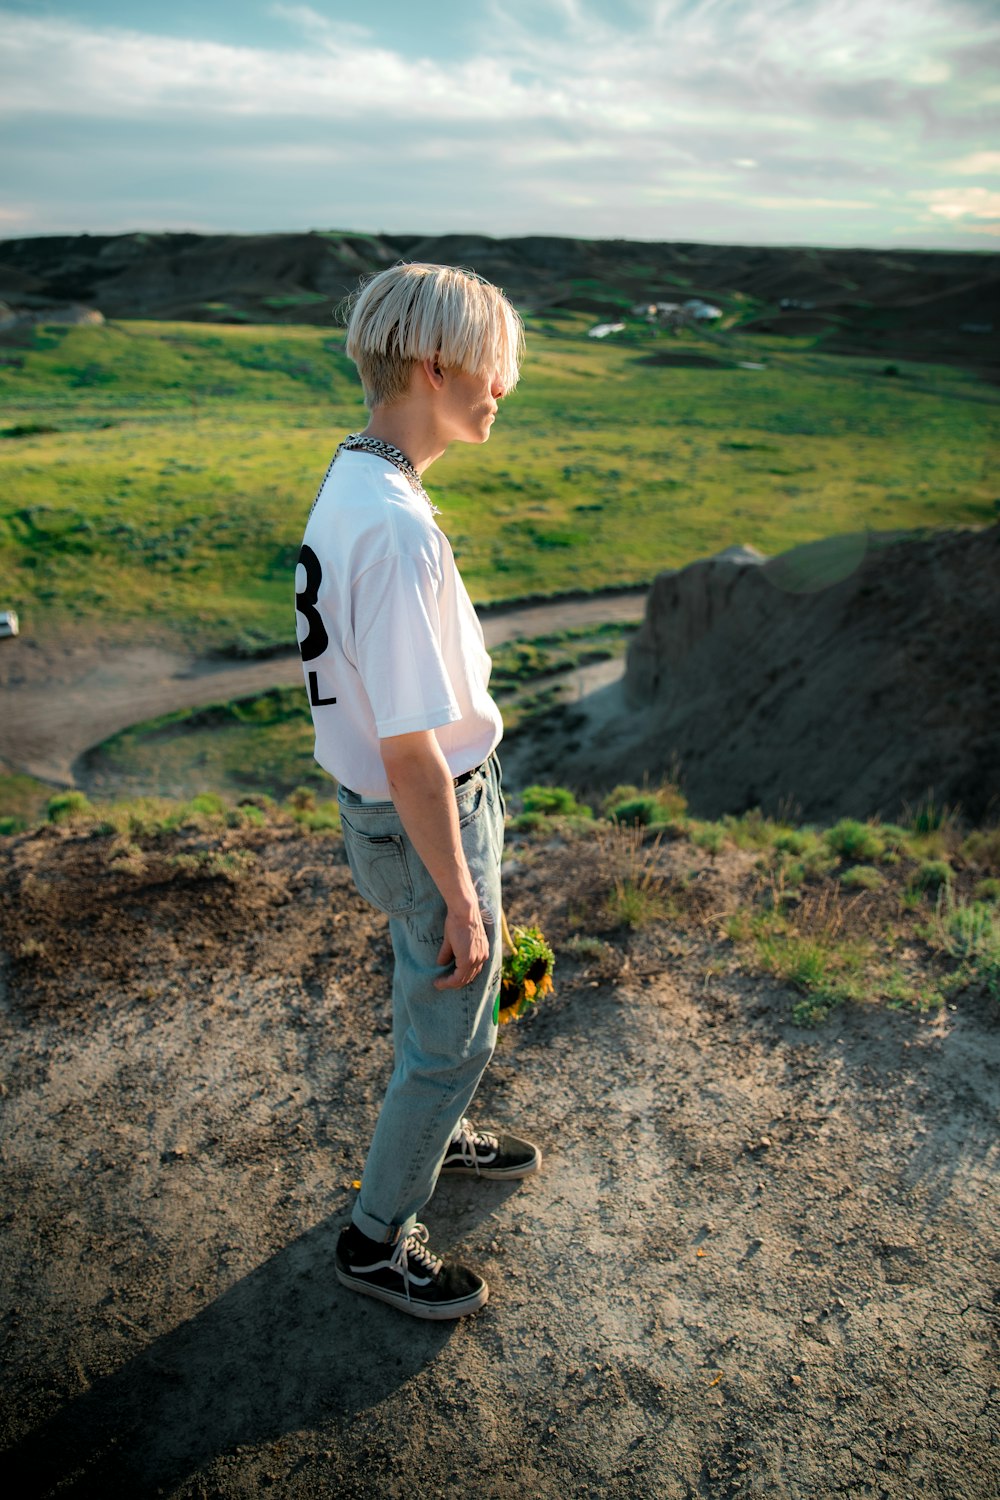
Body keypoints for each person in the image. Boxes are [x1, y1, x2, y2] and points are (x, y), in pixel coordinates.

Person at [295, 262, 541, 1320]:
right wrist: (465, 894)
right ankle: (374, 1240)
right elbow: (409, 751)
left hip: (403, 818)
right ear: (439, 367)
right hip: (422, 812)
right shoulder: (394, 529)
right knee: (456, 1027)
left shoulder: (359, 479)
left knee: (434, 998)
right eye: (497, 371)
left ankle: (436, 1122)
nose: (505, 392)